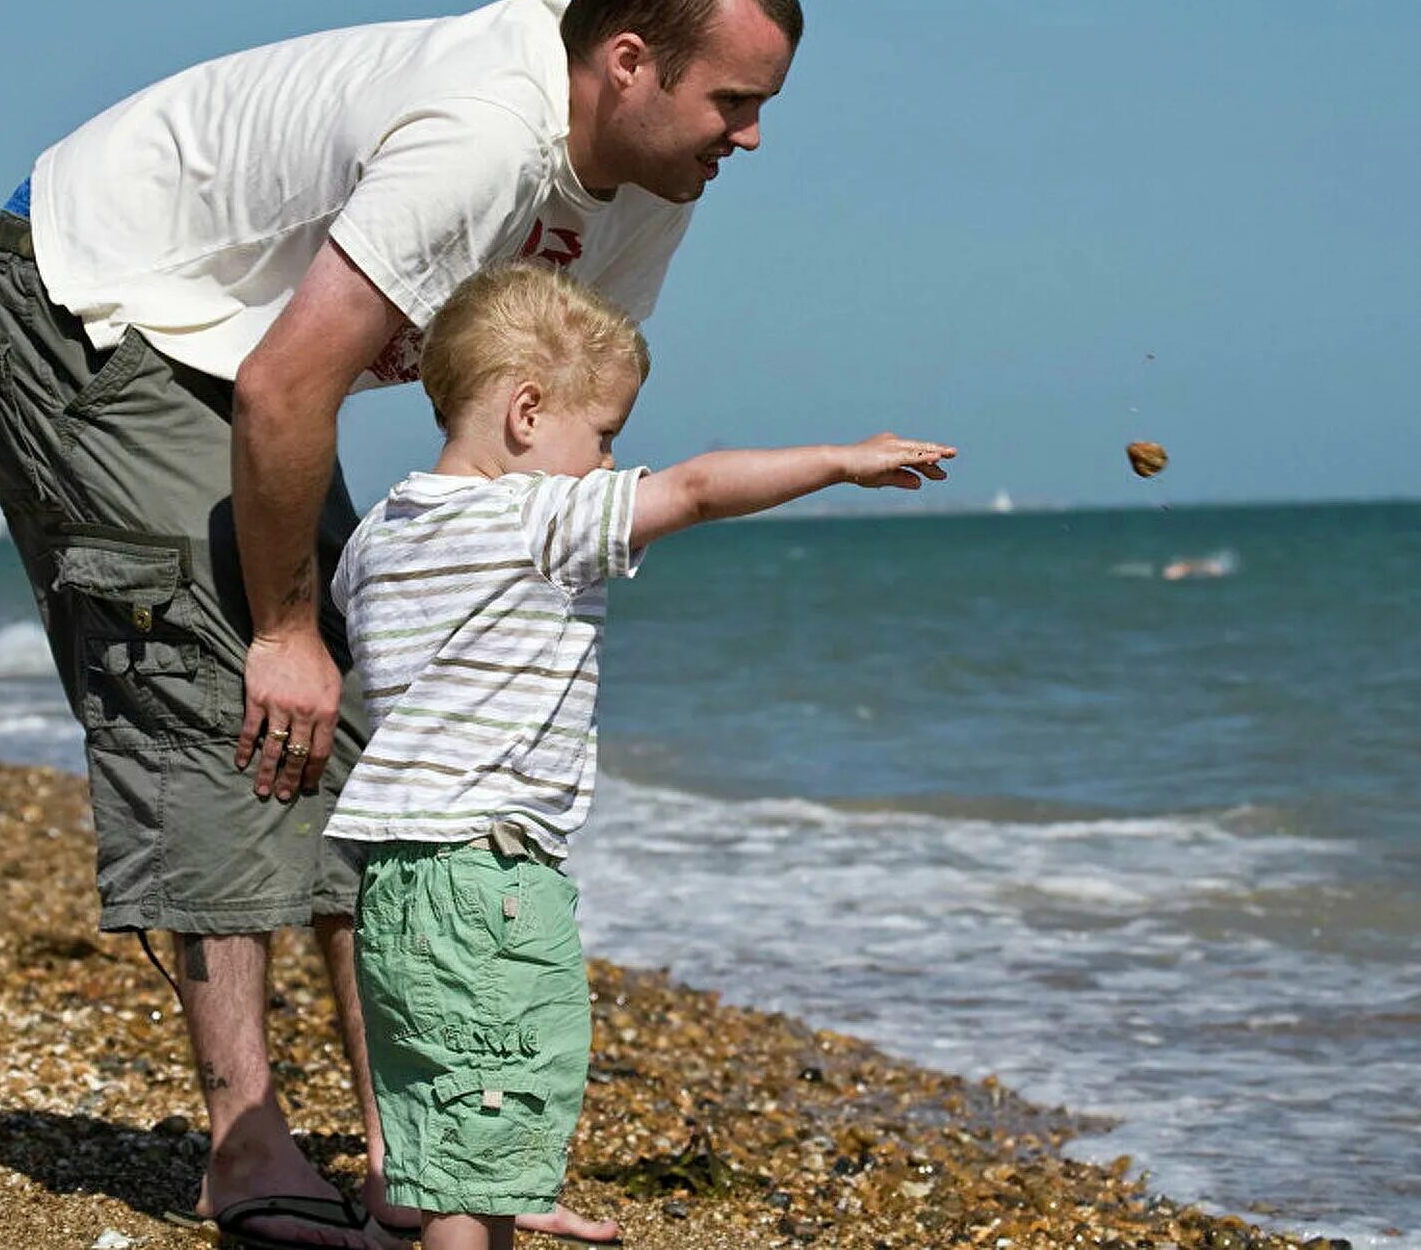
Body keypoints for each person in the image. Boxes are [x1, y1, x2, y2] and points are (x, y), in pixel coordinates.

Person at [0, 0, 801, 1250]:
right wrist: (289, 625)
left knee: (381, 738)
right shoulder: (482, 132)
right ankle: (245, 1143)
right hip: (107, 300)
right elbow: (294, 383)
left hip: (255, 370)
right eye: (735, 101)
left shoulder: (646, 193)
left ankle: (427, 1154)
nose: (750, 137)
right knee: (227, 691)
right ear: (629, 63)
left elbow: (544, 431)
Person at [325, 263, 953, 1250]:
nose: (615, 461)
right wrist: (840, 459)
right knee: (495, 1106)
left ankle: (404, 1220)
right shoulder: (535, 520)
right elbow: (697, 489)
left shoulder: (374, 539)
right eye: (605, 435)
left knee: (450, 1100)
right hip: (486, 873)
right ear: (526, 412)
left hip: (395, 878)